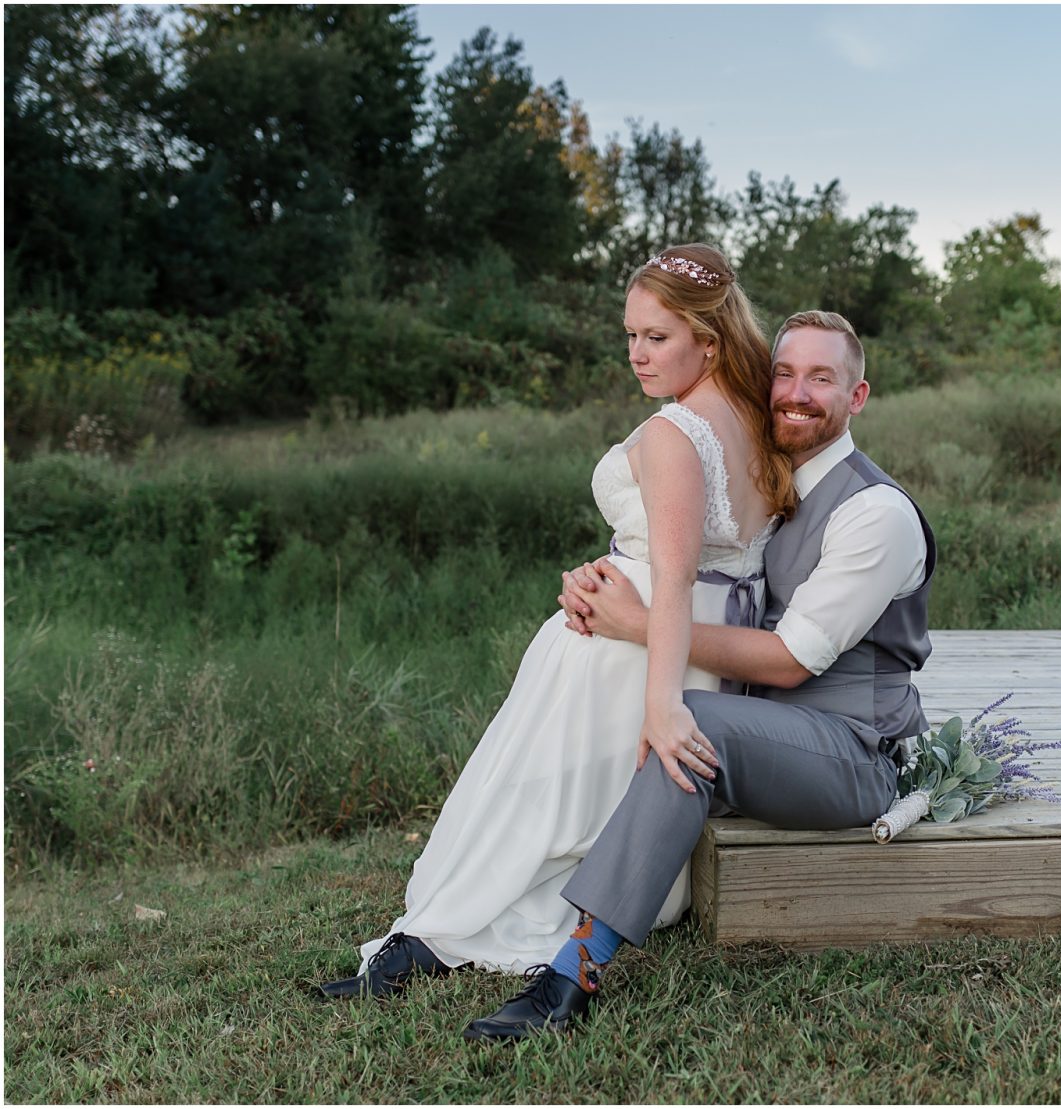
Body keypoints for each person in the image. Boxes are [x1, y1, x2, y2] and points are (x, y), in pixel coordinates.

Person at [318, 244, 795, 999]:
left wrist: (660, 702)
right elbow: (705, 558)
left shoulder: (679, 431)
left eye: (656, 337)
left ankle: (446, 930)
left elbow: (671, 577)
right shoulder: (759, 419)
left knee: (533, 803)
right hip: (701, 646)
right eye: (631, 335)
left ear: (707, 340)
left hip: (636, 650)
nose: (637, 354)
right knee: (553, 797)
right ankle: (456, 925)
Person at [458, 309, 937, 1041]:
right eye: (785, 371)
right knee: (651, 699)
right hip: (780, 728)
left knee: (689, 719)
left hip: (854, 752)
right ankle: (512, 873)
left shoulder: (876, 513)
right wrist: (603, 583)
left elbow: (790, 659)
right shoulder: (780, 480)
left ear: (858, 396)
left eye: (822, 378)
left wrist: (638, 624)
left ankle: (573, 972)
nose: (796, 392)